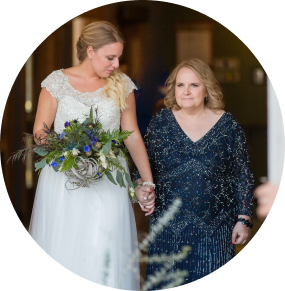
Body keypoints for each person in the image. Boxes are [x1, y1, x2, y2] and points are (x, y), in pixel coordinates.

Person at [29, 21, 155, 289]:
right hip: (63, 178)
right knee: (65, 245)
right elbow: (40, 132)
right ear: (90, 51)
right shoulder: (56, 82)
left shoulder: (122, 85)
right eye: (111, 57)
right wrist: (66, 151)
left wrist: (147, 181)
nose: (116, 64)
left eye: (119, 57)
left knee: (105, 247)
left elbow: (131, 134)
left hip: (109, 178)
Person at [133, 59, 254, 288]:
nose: (186, 92)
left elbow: (243, 176)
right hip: (168, 232)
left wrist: (244, 219)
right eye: (180, 85)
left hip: (216, 233)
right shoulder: (160, 124)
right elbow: (140, 169)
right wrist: (139, 187)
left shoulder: (228, 126)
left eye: (194, 85)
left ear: (207, 88)